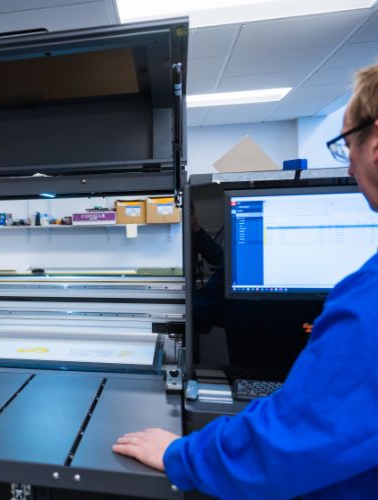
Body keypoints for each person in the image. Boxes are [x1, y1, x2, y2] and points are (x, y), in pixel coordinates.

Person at [113, 61, 378, 499]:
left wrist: (182, 454)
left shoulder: (367, 301)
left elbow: (293, 440)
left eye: (345, 146)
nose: (348, 170)